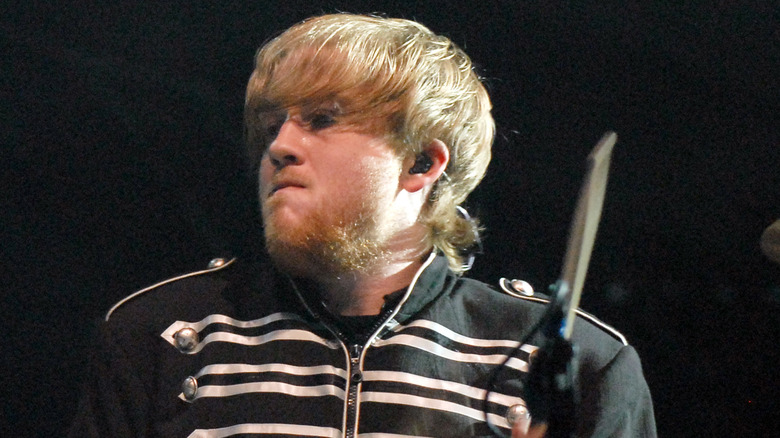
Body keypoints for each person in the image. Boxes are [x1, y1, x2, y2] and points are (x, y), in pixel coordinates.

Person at [69, 13, 656, 438]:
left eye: (321, 120)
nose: (279, 146)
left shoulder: (576, 363)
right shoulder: (160, 334)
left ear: (422, 162)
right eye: (273, 124)